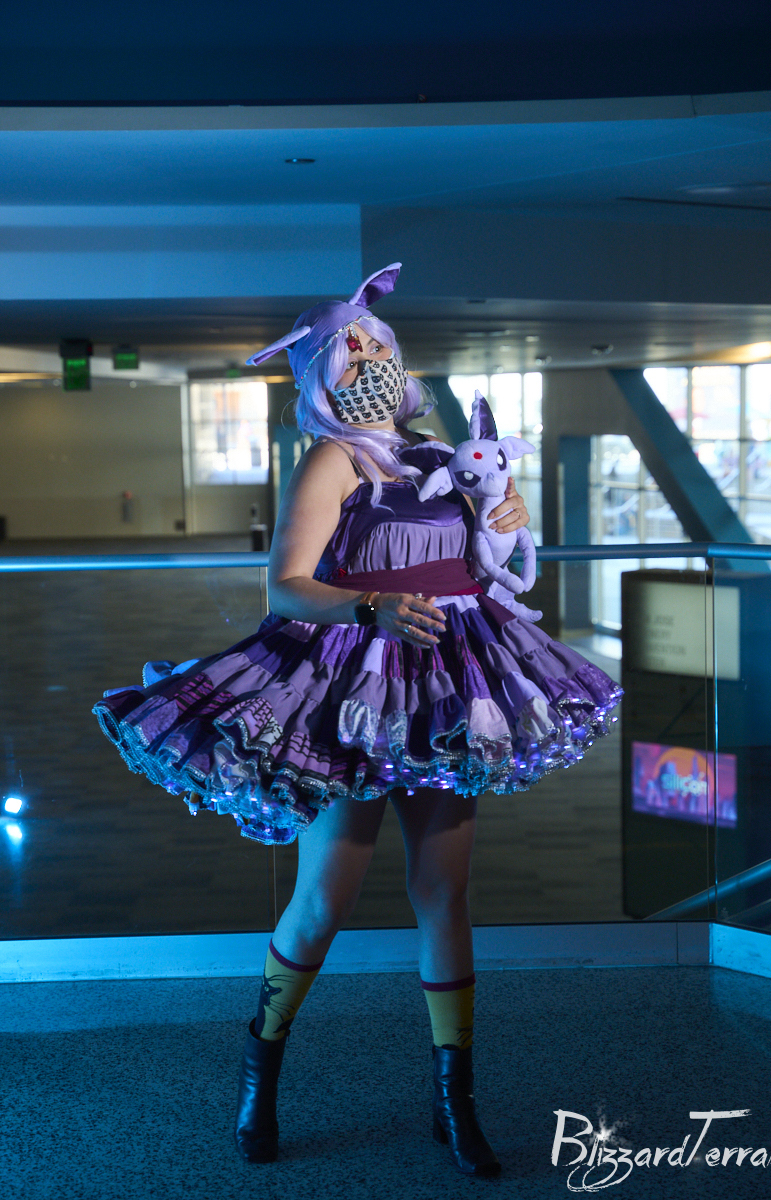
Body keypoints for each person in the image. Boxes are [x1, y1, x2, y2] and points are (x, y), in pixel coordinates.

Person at [92, 263, 622, 1179]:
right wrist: (372, 607)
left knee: (444, 891)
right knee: (325, 898)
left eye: (379, 345)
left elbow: (484, 567)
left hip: (451, 686)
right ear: (321, 377)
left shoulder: (439, 452)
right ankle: (260, 1073)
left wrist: (505, 521)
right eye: (353, 352)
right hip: (353, 690)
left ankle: (454, 1099)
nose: (372, 361)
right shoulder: (332, 460)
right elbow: (286, 585)